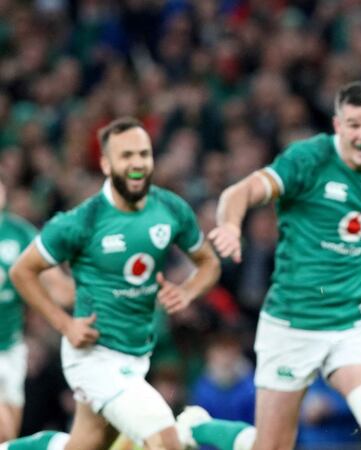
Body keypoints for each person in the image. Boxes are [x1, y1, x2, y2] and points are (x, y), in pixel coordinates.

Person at [209, 80, 361, 450]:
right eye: (354, 125)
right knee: (271, 446)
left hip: (352, 323)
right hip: (290, 323)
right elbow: (240, 192)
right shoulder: (307, 159)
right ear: (337, 126)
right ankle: (201, 429)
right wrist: (231, 227)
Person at [7, 117, 221, 450]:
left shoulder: (170, 208)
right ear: (106, 164)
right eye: (126, 156)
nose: (137, 164)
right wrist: (64, 324)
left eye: (143, 154)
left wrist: (188, 291)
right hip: (93, 355)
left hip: (136, 354)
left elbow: (208, 262)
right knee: (166, 439)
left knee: (84, 446)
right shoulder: (82, 220)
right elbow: (22, 271)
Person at [0, 180, 73, 443]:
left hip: (11, 348)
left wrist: (96, 287)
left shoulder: (19, 234)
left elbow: (59, 290)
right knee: (3, 430)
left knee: (8, 438)